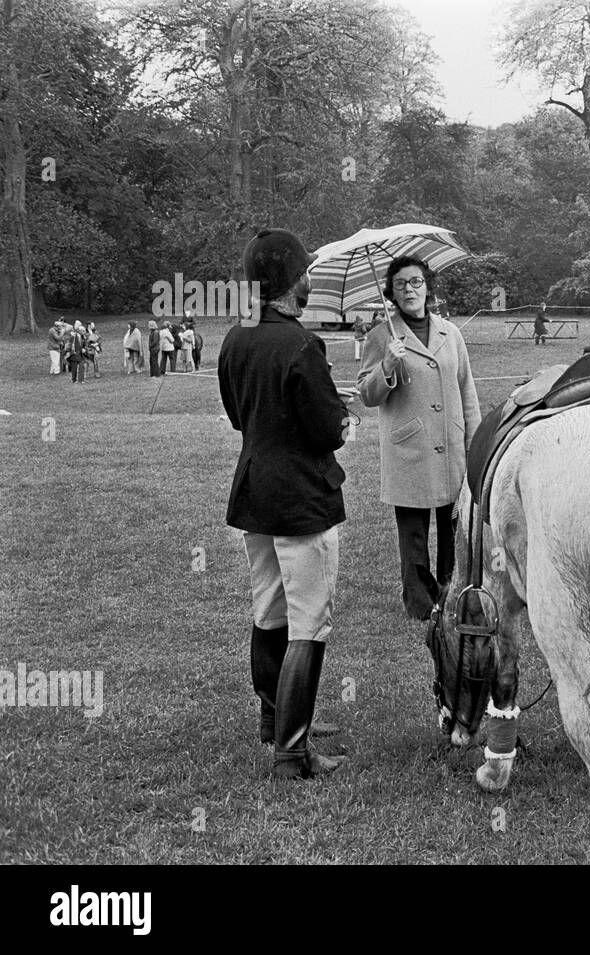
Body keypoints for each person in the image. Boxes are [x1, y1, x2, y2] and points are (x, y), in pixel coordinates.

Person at [218, 227, 350, 780]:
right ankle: (292, 752)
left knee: (269, 610)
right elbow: (325, 431)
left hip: (254, 492)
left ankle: (276, 719)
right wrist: (342, 417)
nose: (310, 278)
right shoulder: (301, 344)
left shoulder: (234, 338)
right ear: (294, 279)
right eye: (305, 271)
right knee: (309, 623)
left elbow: (236, 415)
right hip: (300, 498)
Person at [359, 256, 482, 622]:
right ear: (391, 294)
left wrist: (474, 447)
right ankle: (418, 603)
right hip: (408, 449)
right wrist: (387, 366)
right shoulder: (381, 336)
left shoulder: (452, 333)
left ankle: (450, 592)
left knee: (453, 527)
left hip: (451, 448)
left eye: (415, 282)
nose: (409, 290)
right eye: (400, 285)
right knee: (413, 533)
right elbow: (367, 394)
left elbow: (467, 392)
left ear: (427, 286)